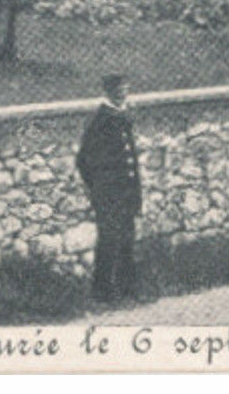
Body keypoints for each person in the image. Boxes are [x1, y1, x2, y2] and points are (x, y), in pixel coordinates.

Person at [75, 74, 141, 304]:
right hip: (109, 193)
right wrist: (100, 187)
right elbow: (83, 159)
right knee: (109, 241)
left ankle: (128, 289)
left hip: (126, 191)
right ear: (108, 92)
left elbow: (129, 158)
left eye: (126, 88)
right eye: (118, 89)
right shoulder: (101, 119)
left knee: (127, 239)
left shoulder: (122, 115)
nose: (123, 92)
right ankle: (103, 291)